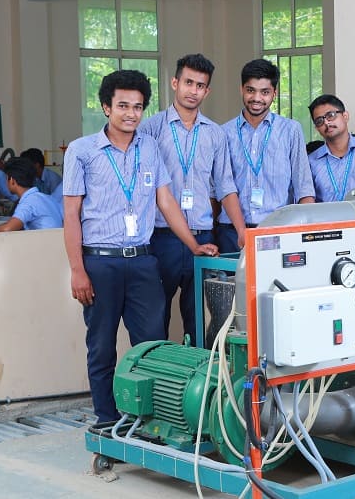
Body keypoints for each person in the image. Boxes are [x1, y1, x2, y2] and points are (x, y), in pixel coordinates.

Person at [62, 69, 219, 423]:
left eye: (137, 107)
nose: (131, 113)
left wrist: (193, 245)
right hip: (100, 263)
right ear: (106, 107)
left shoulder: (148, 147)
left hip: (143, 262)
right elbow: (71, 214)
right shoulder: (82, 151)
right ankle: (106, 420)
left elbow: (166, 201)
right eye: (122, 106)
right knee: (101, 347)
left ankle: (151, 422)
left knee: (152, 347)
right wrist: (77, 270)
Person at [140, 53, 246, 346]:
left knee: (201, 320)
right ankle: (160, 370)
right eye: (188, 82)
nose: (193, 91)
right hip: (161, 238)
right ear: (175, 83)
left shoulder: (215, 134)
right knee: (155, 319)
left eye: (200, 85)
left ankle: (199, 373)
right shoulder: (150, 129)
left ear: (207, 91)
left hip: (204, 239)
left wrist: (241, 230)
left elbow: (225, 186)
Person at [217, 58, 315, 253]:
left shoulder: (291, 130)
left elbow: (303, 187)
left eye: (265, 92)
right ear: (241, 89)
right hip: (232, 232)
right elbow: (224, 186)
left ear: (274, 93)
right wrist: (242, 231)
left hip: (280, 230)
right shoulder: (223, 133)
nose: (257, 98)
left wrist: (304, 233)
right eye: (250, 90)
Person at [0, 157, 62, 231]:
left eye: (6, 178)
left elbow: (7, 228)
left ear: (12, 180)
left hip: (46, 238)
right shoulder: (47, 198)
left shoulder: (28, 202)